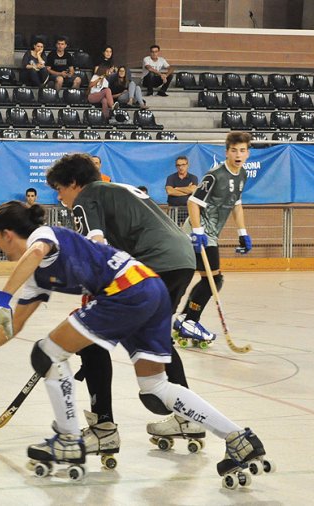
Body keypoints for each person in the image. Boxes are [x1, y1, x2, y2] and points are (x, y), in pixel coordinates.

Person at [0, 201, 268, 482]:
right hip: (149, 288)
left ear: (7, 235)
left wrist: (1, 298)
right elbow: (14, 326)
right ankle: (238, 437)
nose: (1, 246)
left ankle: (68, 439)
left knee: (48, 352)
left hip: (125, 291)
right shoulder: (35, 278)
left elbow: (36, 251)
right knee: (154, 385)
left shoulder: (42, 237)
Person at [46, 152, 201, 448]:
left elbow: (96, 244)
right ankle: (188, 415)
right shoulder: (113, 190)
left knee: (89, 336)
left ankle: (103, 427)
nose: (59, 196)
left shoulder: (86, 198)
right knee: (155, 337)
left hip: (156, 261)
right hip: (180, 258)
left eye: (60, 188)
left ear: (75, 183)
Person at [176, 132, 253, 342]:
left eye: (242, 150)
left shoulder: (242, 175)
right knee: (213, 279)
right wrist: (197, 231)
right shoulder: (215, 174)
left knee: (210, 279)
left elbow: (236, 204)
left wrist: (242, 233)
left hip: (211, 234)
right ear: (227, 152)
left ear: (248, 153)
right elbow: (193, 202)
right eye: (234, 150)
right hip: (198, 231)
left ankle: (185, 318)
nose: (238, 154)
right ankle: (190, 320)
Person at [165, 156, 198, 226]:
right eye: (178, 165)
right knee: (174, 232)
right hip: (173, 210)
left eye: (183, 165)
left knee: (189, 232)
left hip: (189, 210)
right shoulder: (171, 177)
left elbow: (193, 190)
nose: (181, 167)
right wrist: (187, 191)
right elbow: (170, 191)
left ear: (187, 165)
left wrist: (177, 188)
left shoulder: (193, 178)